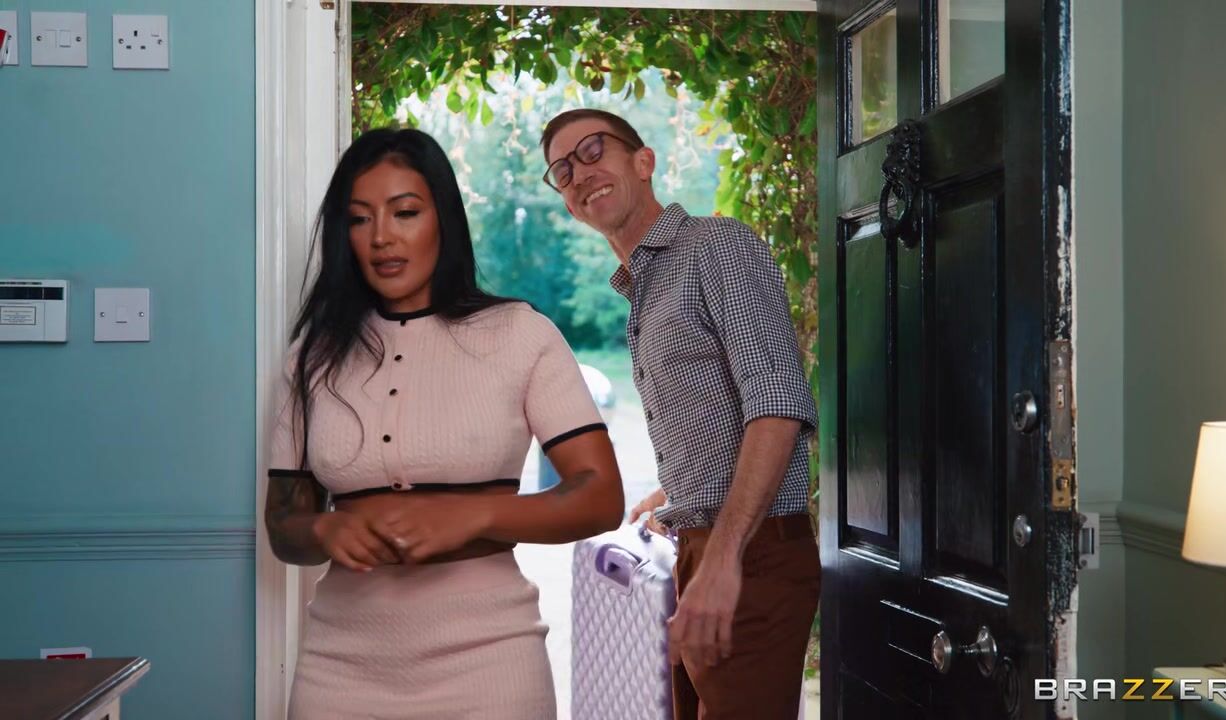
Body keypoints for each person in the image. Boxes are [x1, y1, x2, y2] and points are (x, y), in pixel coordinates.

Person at [263, 127, 624, 720]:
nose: (382, 237)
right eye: (359, 219)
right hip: (338, 672)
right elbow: (282, 526)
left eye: (405, 212)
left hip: (491, 668)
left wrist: (474, 514)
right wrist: (325, 529)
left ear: (444, 221)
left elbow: (600, 496)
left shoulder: (520, 335)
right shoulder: (311, 359)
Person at [541, 109, 821, 720]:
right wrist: (681, 492)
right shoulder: (644, 286)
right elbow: (725, 410)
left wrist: (723, 558)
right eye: (562, 170)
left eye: (593, 151)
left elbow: (777, 406)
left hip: (749, 555)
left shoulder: (716, 247)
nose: (579, 173)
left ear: (644, 161)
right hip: (699, 548)